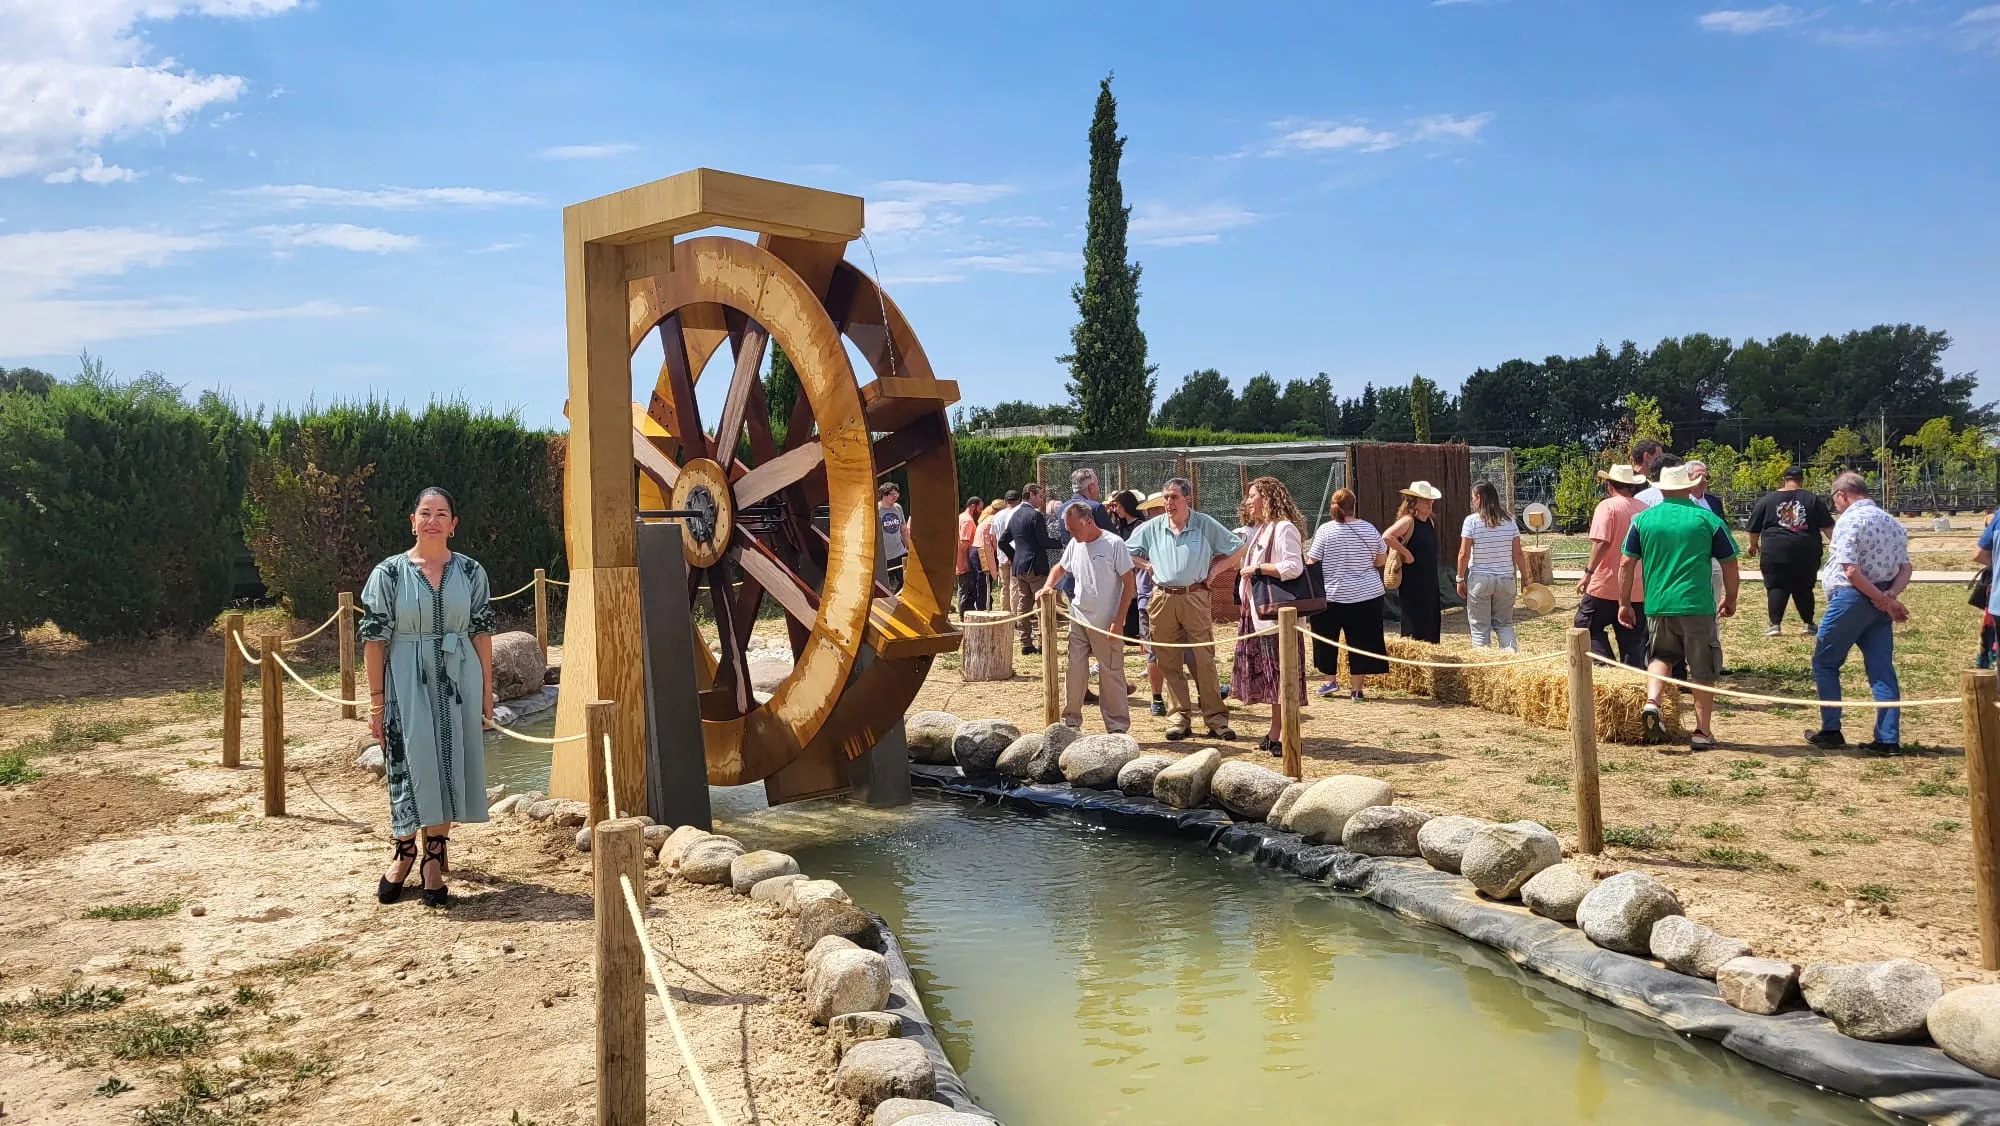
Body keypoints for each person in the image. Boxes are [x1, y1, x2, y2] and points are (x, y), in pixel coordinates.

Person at [361, 487, 497, 908]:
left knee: (448, 764)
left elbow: (481, 633)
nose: (433, 520)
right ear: (413, 522)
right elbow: (374, 641)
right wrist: (376, 701)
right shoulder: (388, 573)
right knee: (406, 762)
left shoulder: (472, 572)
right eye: (425, 513)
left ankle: (434, 858)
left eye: (441, 514)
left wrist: (486, 691)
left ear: (453, 524)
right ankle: (404, 851)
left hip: (459, 678)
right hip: (404, 679)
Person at [1617, 464, 1740, 751]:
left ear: (1661, 489)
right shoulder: (1707, 519)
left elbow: (1626, 564)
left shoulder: (1642, 520)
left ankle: (1652, 702)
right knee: (1703, 668)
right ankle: (1702, 731)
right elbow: (1730, 562)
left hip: (1658, 603)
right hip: (1697, 604)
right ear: (1689, 487)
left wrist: (1624, 603)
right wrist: (1730, 598)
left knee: (1660, 655)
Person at [1127, 476, 1242, 741]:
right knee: (1167, 660)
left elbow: (1238, 548)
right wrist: (1146, 565)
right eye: (1166, 497)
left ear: (1187, 499)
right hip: (1162, 598)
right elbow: (1125, 551)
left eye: (1174, 497)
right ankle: (1179, 718)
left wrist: (1216, 570)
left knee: (1204, 659)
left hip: (1195, 596)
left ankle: (1216, 720)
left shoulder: (1204, 523)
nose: (1169, 502)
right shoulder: (1152, 527)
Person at [1806, 473, 1911, 754]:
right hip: (1881, 602)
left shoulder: (1849, 521)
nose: (1835, 505)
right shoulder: (1892, 522)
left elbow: (1850, 570)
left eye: (1834, 499)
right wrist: (1888, 597)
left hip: (1851, 599)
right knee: (1881, 668)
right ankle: (1888, 738)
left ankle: (1831, 729)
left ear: (1842, 495)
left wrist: (1877, 597)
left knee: (1825, 662)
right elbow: (1906, 568)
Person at [1041, 504, 1135, 734]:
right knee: (1075, 669)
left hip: (1106, 623)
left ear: (1088, 522)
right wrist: (1048, 586)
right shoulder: (1075, 543)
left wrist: (1119, 621)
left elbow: (1129, 583)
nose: (1071, 534)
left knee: (1110, 672)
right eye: (1068, 530)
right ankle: (1071, 722)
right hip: (1078, 618)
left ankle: (1117, 727)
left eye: (1073, 529)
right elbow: (1061, 568)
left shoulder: (1114, 544)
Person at [1231, 476, 1308, 755]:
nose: (1248, 502)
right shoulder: (1262, 529)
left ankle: (1287, 733)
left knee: (1282, 675)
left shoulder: (1284, 528)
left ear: (1267, 498)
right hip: (1257, 613)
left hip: (1277, 617)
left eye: (1253, 496)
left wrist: (1258, 569)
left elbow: (1294, 567)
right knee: (1270, 677)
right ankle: (1276, 729)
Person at [1307, 487, 1388, 701]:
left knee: (1326, 639)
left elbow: (1312, 561)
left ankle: (1330, 681)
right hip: (1367, 594)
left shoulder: (1325, 530)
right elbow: (1381, 560)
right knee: (1362, 641)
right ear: (1354, 505)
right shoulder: (1369, 528)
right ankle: (1357, 689)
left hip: (1332, 595)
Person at [1575, 465, 1650, 667]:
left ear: (1610, 486)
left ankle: (1605, 665)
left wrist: (1588, 572)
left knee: (1586, 624)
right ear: (1632, 487)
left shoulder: (1607, 507)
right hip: (1638, 586)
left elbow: (1602, 542)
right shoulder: (1645, 509)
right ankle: (1633, 674)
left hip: (1607, 582)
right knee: (1632, 636)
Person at [1747, 467, 1835, 636]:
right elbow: (1828, 527)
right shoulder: (1812, 499)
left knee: (1776, 586)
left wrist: (1753, 545)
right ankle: (1808, 624)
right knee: (1804, 587)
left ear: (1784, 480)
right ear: (1802, 480)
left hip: (1775, 551)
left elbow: (1754, 528)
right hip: (1806, 551)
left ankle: (1775, 625)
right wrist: (1837, 545)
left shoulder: (1767, 500)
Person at [1456, 480, 1527, 650]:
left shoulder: (1471, 521)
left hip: (1480, 579)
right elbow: (1518, 553)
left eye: (1473, 498)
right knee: (1505, 624)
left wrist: (1460, 578)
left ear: (1479, 498)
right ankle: (1510, 657)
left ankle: (1483, 661)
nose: (1472, 501)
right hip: (1505, 579)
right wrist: (1525, 577)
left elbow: (1464, 553)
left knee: (1480, 628)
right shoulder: (1510, 520)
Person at [1382, 481, 1444, 643]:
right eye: (1425, 500)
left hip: (1430, 578)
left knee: (1431, 618)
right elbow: (1387, 536)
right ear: (1414, 502)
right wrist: (1406, 553)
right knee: (1415, 619)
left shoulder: (1430, 522)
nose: (1430, 503)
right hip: (1413, 581)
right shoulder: (1408, 521)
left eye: (1430, 500)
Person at [996, 483, 1052, 654]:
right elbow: (1043, 541)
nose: (1042, 500)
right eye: (1040, 496)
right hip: (1035, 567)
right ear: (1031, 494)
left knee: (1024, 605)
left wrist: (1015, 557)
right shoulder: (1035, 515)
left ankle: (1026, 643)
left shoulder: (1015, 515)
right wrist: (1062, 542)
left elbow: (1002, 542)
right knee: (1043, 604)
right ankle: (1044, 643)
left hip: (1020, 567)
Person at [978, 495, 1014, 611]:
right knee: (1014, 586)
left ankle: (1005, 611)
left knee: (1005, 586)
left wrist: (998, 552)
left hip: (1001, 555)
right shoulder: (1013, 514)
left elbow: (994, 539)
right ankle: (1015, 614)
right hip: (1012, 554)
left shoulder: (994, 517)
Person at [955, 496, 987, 615]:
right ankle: (963, 613)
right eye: (980, 508)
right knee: (966, 588)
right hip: (964, 560)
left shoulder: (961, 517)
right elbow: (964, 542)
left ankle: (964, 612)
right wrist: (966, 561)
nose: (981, 511)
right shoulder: (967, 520)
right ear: (973, 506)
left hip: (961, 559)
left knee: (965, 587)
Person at [878, 483, 910, 591]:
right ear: (884, 495)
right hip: (883, 556)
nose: (895, 497)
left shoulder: (898, 508)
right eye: (892, 494)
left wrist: (909, 547)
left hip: (899, 552)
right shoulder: (876, 510)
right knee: (886, 587)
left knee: (905, 582)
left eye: (896, 494)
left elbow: (903, 529)